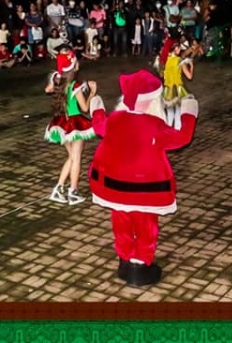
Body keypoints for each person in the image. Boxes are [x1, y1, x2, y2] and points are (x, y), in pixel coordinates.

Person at [88, 70, 199, 287]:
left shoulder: (116, 119)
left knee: (120, 221)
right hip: (147, 189)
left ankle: (125, 259)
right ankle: (141, 263)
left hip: (114, 187)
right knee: (147, 224)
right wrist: (189, 113)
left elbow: (99, 124)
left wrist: (97, 106)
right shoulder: (155, 125)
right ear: (151, 102)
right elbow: (183, 137)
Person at [44, 51, 97, 204]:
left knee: (72, 157)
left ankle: (59, 188)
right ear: (73, 67)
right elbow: (85, 108)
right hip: (74, 124)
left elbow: (47, 89)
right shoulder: (75, 85)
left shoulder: (58, 81)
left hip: (61, 123)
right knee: (76, 158)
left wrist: (56, 76)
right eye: (76, 62)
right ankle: (73, 191)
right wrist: (92, 92)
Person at [162, 42, 194, 129]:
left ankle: (167, 135)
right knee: (178, 115)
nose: (180, 50)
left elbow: (162, 74)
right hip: (178, 90)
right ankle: (177, 136)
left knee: (169, 115)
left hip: (167, 91)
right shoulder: (179, 61)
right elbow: (189, 76)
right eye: (179, 48)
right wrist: (191, 66)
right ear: (175, 49)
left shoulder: (165, 60)